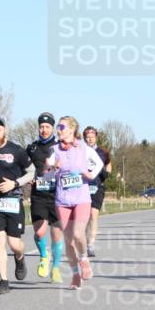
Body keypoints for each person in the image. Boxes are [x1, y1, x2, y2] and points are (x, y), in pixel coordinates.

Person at [0, 117, 35, 295]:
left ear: (5, 131)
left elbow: (32, 171)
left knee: (14, 243)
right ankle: (3, 281)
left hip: (13, 199)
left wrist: (15, 183)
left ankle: (20, 257)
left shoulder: (17, 150)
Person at [45, 116, 104, 289]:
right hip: (62, 200)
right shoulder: (54, 149)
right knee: (69, 241)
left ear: (72, 130)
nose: (58, 130)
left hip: (81, 198)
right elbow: (46, 175)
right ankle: (75, 274)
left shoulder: (84, 148)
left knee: (79, 234)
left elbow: (98, 163)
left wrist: (90, 174)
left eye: (62, 127)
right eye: (58, 127)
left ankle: (84, 259)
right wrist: (51, 169)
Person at [27, 112, 65, 283]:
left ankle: (55, 268)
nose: (43, 130)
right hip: (38, 196)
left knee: (57, 236)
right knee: (39, 232)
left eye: (47, 127)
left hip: (58, 196)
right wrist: (29, 178)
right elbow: (24, 168)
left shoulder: (60, 147)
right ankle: (44, 256)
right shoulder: (31, 148)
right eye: (41, 127)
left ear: (52, 128)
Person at [83, 126, 112, 257]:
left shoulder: (103, 152)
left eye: (92, 137)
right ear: (84, 138)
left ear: (96, 137)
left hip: (97, 186)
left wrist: (107, 173)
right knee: (84, 217)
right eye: (87, 137)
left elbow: (109, 165)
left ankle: (91, 244)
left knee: (93, 215)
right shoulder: (80, 151)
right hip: (83, 186)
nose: (90, 139)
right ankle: (82, 241)